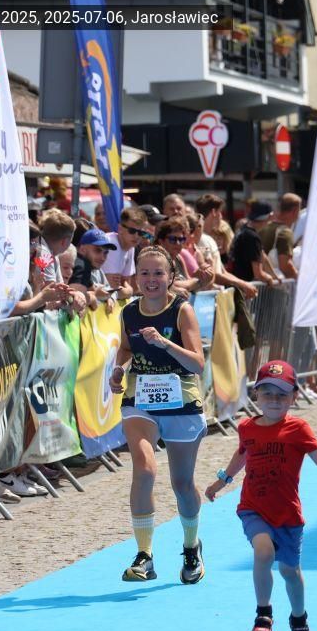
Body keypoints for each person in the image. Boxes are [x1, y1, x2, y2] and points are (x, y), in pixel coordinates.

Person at [205, 360, 317, 631]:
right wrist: (221, 481)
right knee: (263, 551)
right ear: (256, 395)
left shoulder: (298, 428)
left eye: (282, 394)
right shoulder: (247, 427)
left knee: (290, 571)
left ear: (294, 397)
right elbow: (242, 455)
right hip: (253, 507)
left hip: (288, 515)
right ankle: (263, 614)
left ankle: (299, 620)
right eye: (267, 393)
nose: (274, 400)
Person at [109, 246, 208, 584]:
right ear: (136, 277)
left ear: (171, 277)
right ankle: (144, 555)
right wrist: (118, 370)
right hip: (141, 400)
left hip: (181, 399)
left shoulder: (182, 311)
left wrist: (166, 344)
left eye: (158, 273)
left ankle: (192, 546)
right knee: (144, 468)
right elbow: (126, 348)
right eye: (144, 273)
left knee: (182, 483)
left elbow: (197, 363)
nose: (151, 280)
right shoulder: (129, 312)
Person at [230, 202, 281, 285]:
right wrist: (270, 280)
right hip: (245, 286)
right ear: (270, 216)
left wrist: (274, 276)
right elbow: (258, 274)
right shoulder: (252, 237)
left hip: (237, 283)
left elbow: (262, 255)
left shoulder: (243, 229)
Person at [259, 194, 300, 280]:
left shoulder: (265, 227)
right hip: (275, 283)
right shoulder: (285, 232)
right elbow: (285, 265)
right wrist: (300, 280)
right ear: (295, 211)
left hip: (262, 280)